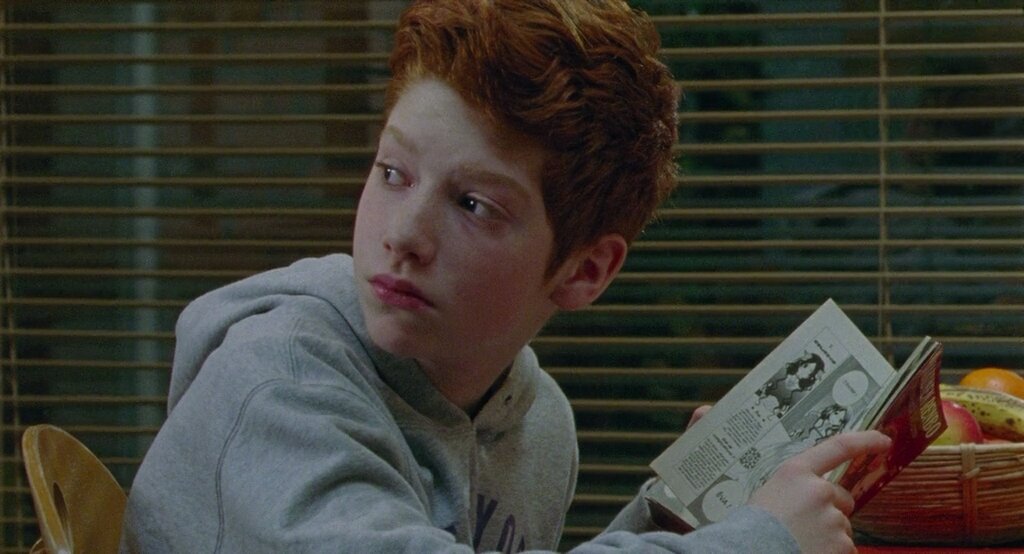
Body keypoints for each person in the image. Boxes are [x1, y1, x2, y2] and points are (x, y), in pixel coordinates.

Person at [119, 1, 891, 552]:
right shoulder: (273, 384)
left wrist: (679, 520)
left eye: (473, 205)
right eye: (393, 172)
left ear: (585, 270)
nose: (404, 234)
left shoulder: (538, 424)